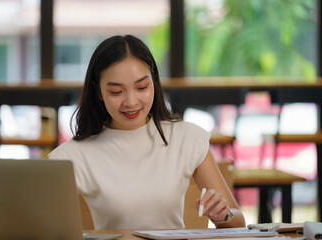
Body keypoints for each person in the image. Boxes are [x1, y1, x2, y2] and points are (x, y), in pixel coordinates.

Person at [49, 35, 245, 230]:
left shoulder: (186, 138)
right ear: (98, 91)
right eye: (116, 92)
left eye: (142, 87)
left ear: (154, 82)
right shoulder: (73, 156)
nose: (131, 102)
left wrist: (223, 215)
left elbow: (238, 222)